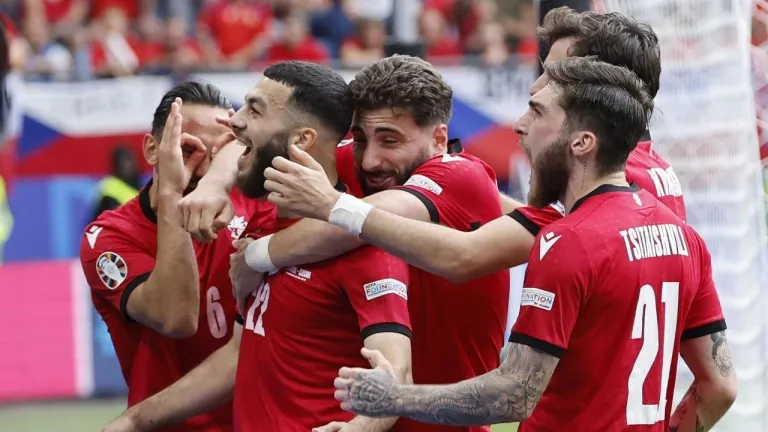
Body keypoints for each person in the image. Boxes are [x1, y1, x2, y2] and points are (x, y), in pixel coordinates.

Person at [327, 57, 737, 431]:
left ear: (581, 142)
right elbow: (720, 387)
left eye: (537, 112)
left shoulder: (568, 241)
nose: (519, 126)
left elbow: (515, 393)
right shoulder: (684, 238)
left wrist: (395, 398)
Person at [246, 8, 686, 288]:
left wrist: (263, 251)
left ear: (605, 83)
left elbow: (463, 256)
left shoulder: (612, 183)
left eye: (556, 75)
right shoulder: (649, 175)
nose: (536, 85)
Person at [100, 61, 411, 432]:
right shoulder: (262, 227)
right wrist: (134, 419)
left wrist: (359, 428)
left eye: (255, 110)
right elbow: (237, 355)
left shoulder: (359, 244)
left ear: (301, 141)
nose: (235, 122)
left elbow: (396, 374)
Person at [244, 55, 509, 432]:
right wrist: (213, 185)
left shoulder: (461, 174)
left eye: (389, 140)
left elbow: (355, 222)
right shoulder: (363, 163)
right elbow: (261, 140)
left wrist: (255, 256)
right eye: (360, 139)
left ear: (438, 139)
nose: (369, 161)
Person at [80, 82, 264, 432]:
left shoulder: (256, 204)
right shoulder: (109, 237)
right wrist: (172, 193)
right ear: (153, 149)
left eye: (219, 151)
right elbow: (177, 318)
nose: (204, 166)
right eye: (189, 148)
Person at [90, 145, 142, 222]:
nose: (129, 165)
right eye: (124, 161)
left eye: (131, 160)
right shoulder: (108, 187)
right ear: (117, 164)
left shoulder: (141, 186)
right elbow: (97, 220)